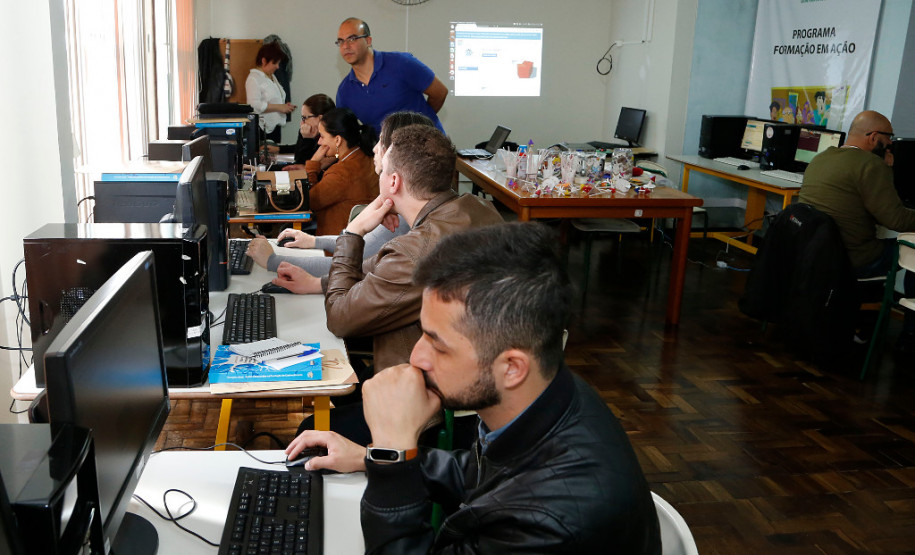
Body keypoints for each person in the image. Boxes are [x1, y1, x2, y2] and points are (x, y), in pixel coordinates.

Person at [285, 222, 662, 554]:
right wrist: (369, 456)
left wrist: (394, 455)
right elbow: (483, 470)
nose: (417, 357)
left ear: (512, 367)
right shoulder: (550, 393)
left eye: (438, 344)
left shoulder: (545, 525)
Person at [271, 124, 503, 371]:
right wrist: (317, 283)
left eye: (383, 171)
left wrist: (353, 233)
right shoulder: (477, 208)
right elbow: (380, 271)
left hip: (423, 384)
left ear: (394, 181)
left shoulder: (415, 250)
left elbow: (338, 319)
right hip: (481, 355)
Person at [247, 112, 435, 276]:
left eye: (381, 141)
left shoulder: (399, 214)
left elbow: (347, 265)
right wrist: (314, 241)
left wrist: (272, 260)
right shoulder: (401, 203)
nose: (374, 148)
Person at [799, 109, 915, 351]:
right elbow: (896, 220)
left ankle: (859, 322)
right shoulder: (871, 165)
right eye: (889, 136)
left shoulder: (821, 158)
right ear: (873, 137)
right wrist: (886, 170)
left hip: (816, 253)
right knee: (912, 253)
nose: (891, 142)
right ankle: (910, 335)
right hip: (853, 258)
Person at [334, 17, 447, 135]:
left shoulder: (401, 63)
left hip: (429, 145)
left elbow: (440, 92)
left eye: (352, 39)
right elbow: (347, 134)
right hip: (389, 152)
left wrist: (420, 125)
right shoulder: (344, 92)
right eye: (341, 41)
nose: (345, 46)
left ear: (368, 41)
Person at [303, 107, 379, 236]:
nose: (319, 142)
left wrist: (313, 164)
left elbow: (308, 202)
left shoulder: (341, 173)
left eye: (322, 136)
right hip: (367, 239)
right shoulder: (370, 158)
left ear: (337, 140)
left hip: (337, 244)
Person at [245, 42, 296, 143]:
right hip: (262, 128)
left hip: (275, 126)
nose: (277, 67)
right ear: (264, 61)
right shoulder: (254, 78)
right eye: (274, 63)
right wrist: (279, 107)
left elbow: (275, 98)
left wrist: (284, 106)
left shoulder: (272, 76)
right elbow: (254, 106)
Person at [274, 93, 335, 170]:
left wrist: (307, 139)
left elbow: (301, 166)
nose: (302, 122)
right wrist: (278, 149)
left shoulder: (331, 139)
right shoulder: (310, 132)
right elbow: (297, 157)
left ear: (320, 118)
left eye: (305, 118)